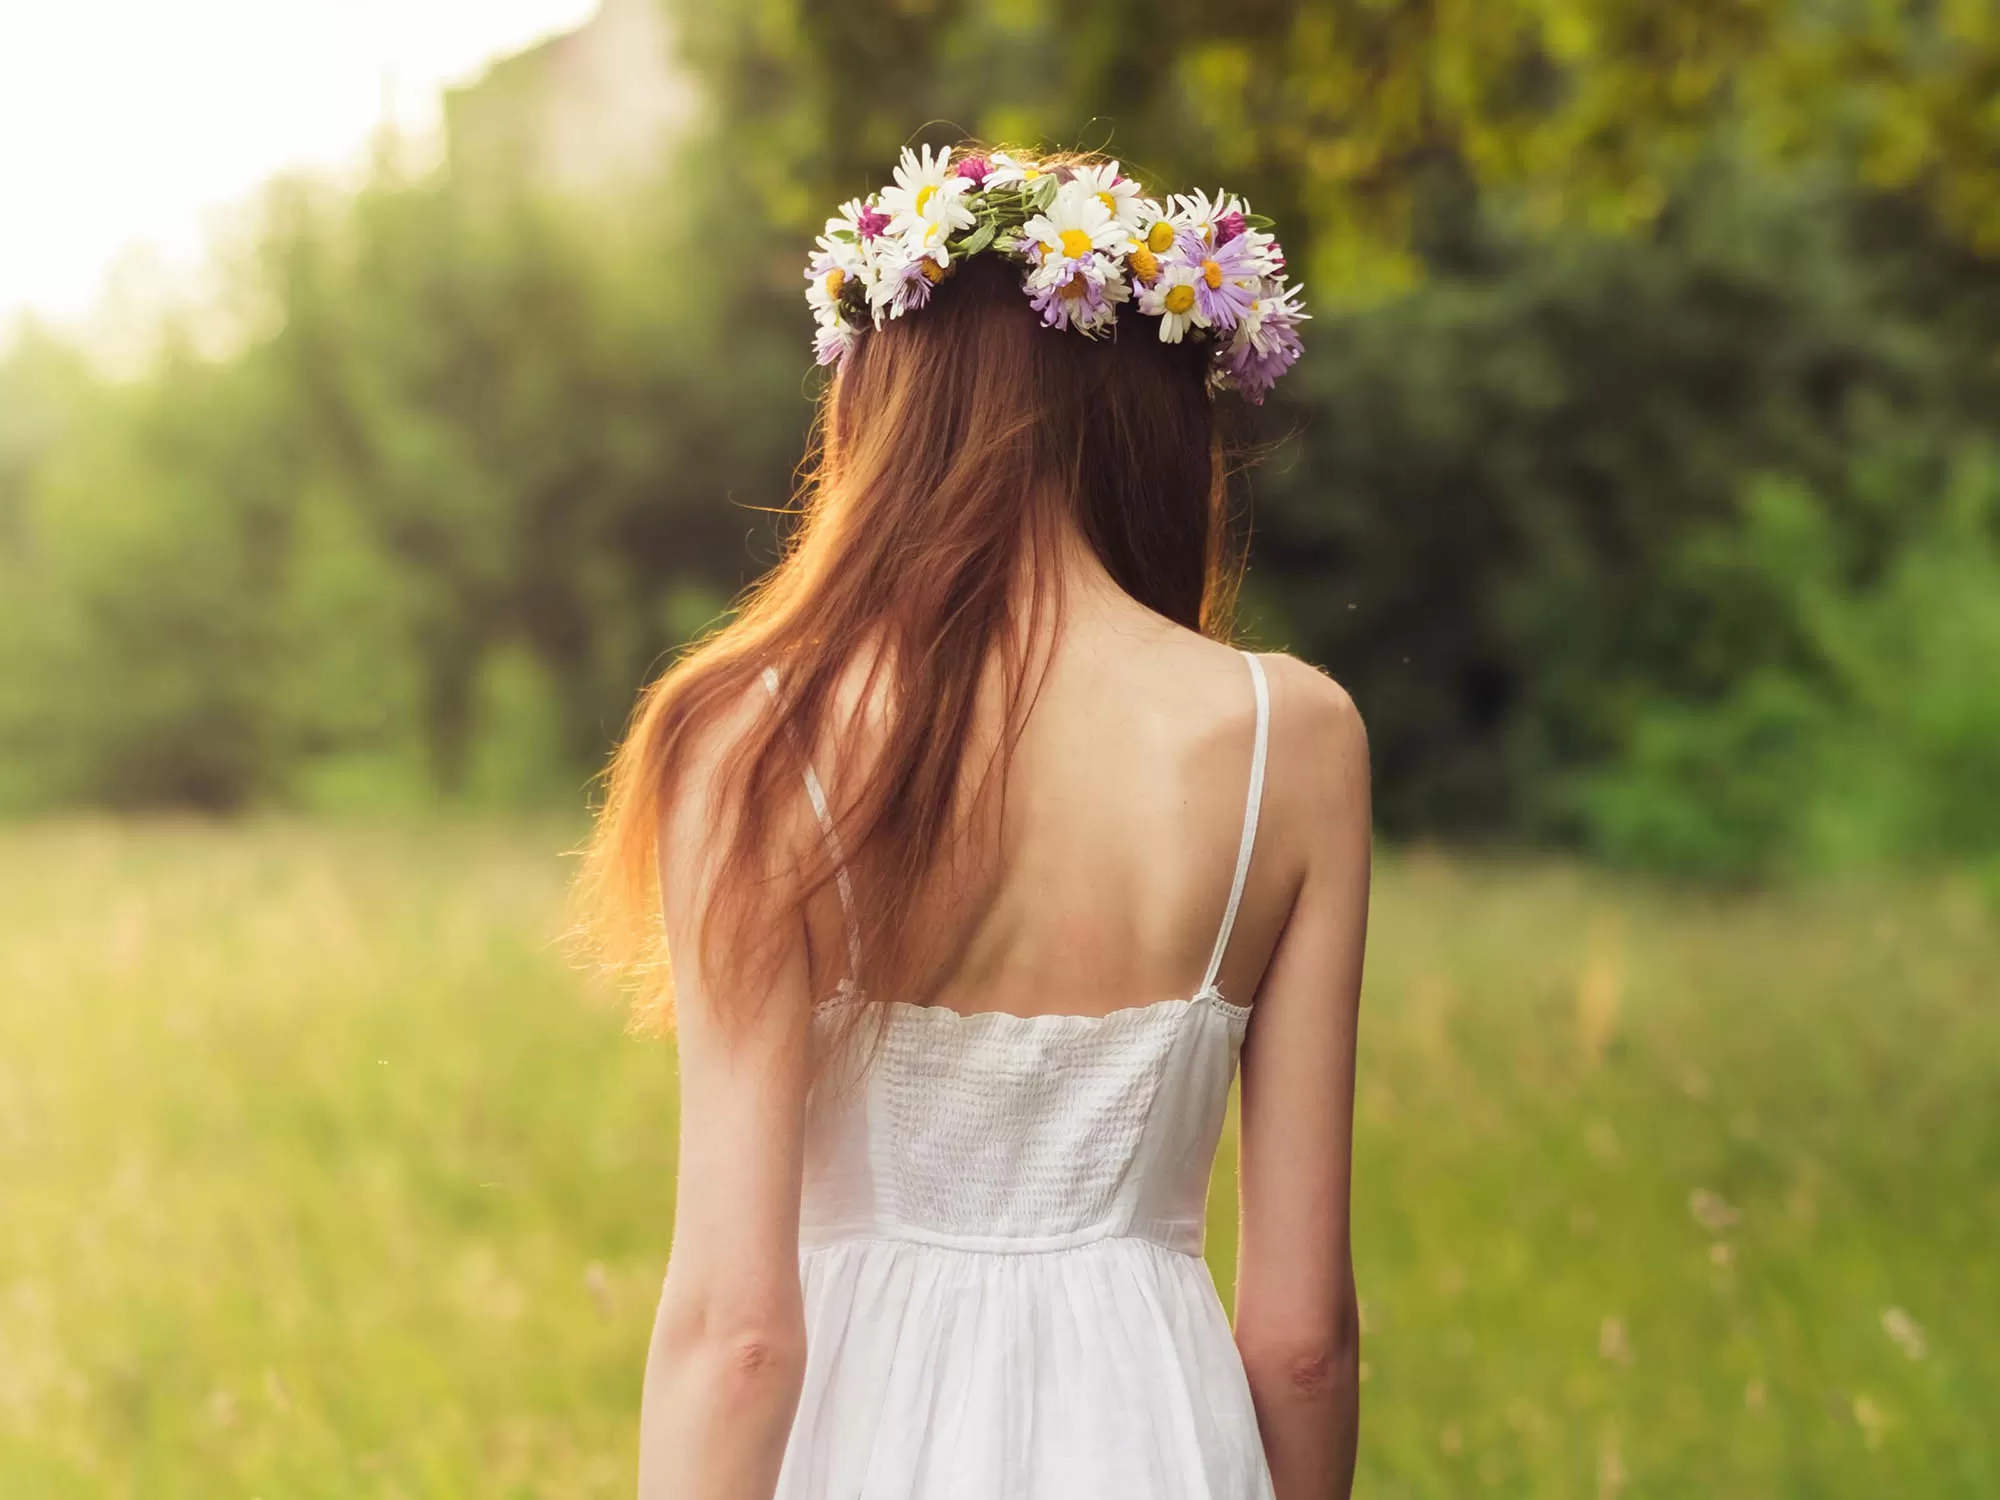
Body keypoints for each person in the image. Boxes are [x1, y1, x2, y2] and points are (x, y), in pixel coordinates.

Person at [580, 145, 1370, 1500]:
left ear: (879, 407)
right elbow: (1302, 1343)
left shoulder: (754, 733)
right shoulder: (1291, 739)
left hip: (863, 1444)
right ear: (1162, 421)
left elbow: (740, 1333)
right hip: (1156, 1442)